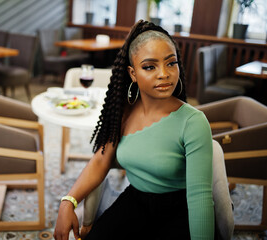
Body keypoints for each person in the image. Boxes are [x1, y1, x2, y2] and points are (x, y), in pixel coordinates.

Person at [53, 20, 214, 240]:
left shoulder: (193, 122)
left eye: (171, 63)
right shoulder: (124, 112)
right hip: (135, 201)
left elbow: (200, 198)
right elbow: (101, 161)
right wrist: (68, 202)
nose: (163, 74)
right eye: (150, 66)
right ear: (132, 73)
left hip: (180, 209)